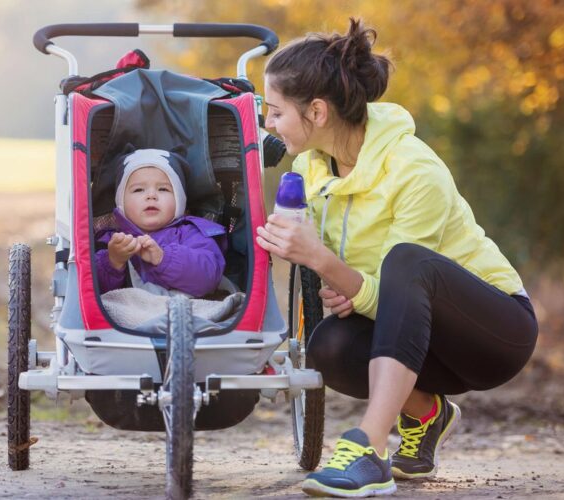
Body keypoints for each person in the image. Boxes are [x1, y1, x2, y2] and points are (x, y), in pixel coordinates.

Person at [256, 18, 538, 498]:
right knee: (329, 347)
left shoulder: (413, 168)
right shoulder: (309, 169)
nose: (269, 124)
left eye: (276, 112)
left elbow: (404, 277)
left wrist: (328, 264)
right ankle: (428, 413)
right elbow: (374, 293)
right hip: (419, 341)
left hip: (494, 332)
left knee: (409, 261)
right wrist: (345, 284)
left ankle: (369, 447)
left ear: (318, 112)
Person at [94, 148, 226, 298]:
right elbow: (93, 292)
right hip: (130, 316)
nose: (151, 196)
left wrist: (164, 258)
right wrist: (113, 262)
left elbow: (209, 278)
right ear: (121, 203)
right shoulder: (111, 241)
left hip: (186, 313)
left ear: (179, 201)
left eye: (163, 189)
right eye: (138, 190)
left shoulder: (192, 233)